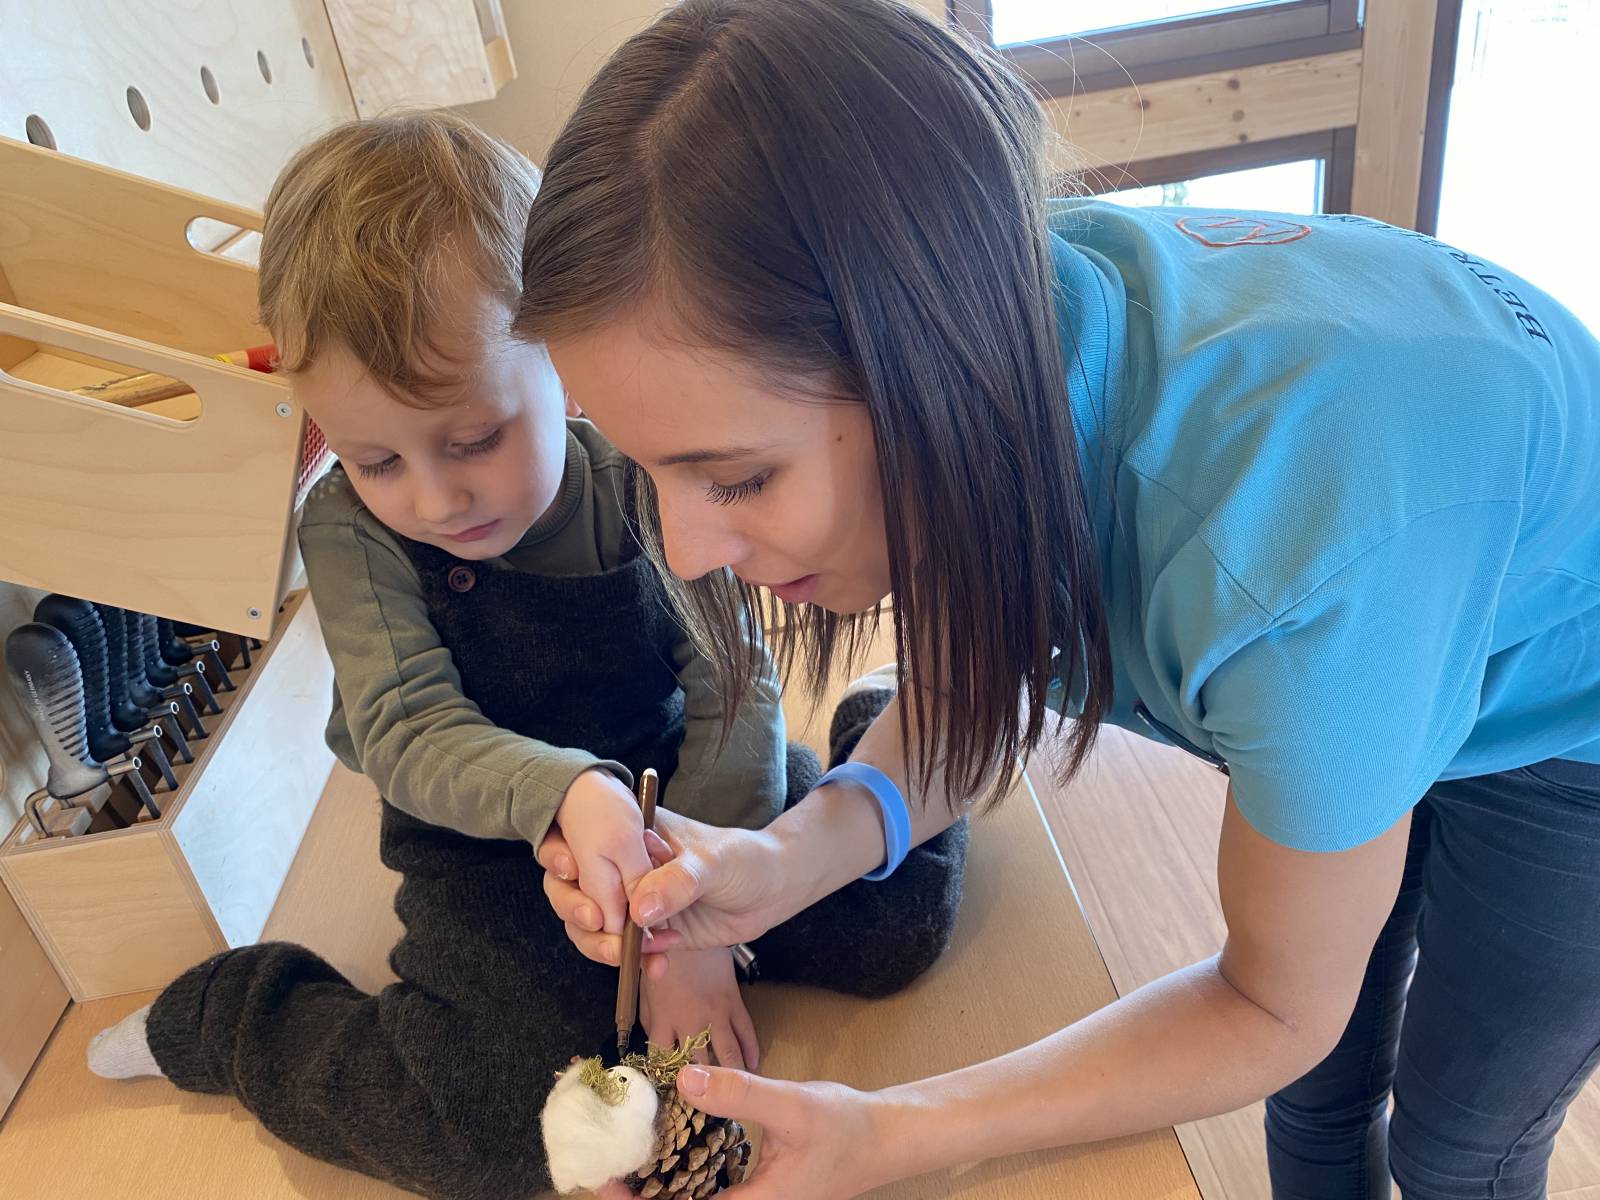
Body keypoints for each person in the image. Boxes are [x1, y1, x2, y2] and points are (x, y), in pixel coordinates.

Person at [515, 2, 1600, 1198]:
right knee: (1322, 1087)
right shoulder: (1003, 325)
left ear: (925, 368)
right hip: (1407, 592)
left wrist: (890, 1131)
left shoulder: (1284, 576)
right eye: (644, 467)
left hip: (1567, 712)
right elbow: (974, 680)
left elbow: (1268, 1006)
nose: (685, 550)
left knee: (1460, 1146)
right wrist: (784, 860)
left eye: (736, 478)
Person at [84, 111, 966, 1200]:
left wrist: (688, 924)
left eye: (474, 440)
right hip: (488, 840)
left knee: (894, 928)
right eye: (375, 459)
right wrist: (567, 796)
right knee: (489, 1121)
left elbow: (733, 690)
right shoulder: (349, 534)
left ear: (568, 364)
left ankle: (875, 734)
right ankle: (228, 1017)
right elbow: (408, 731)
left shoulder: (640, 472)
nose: (435, 497)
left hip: (689, 792)